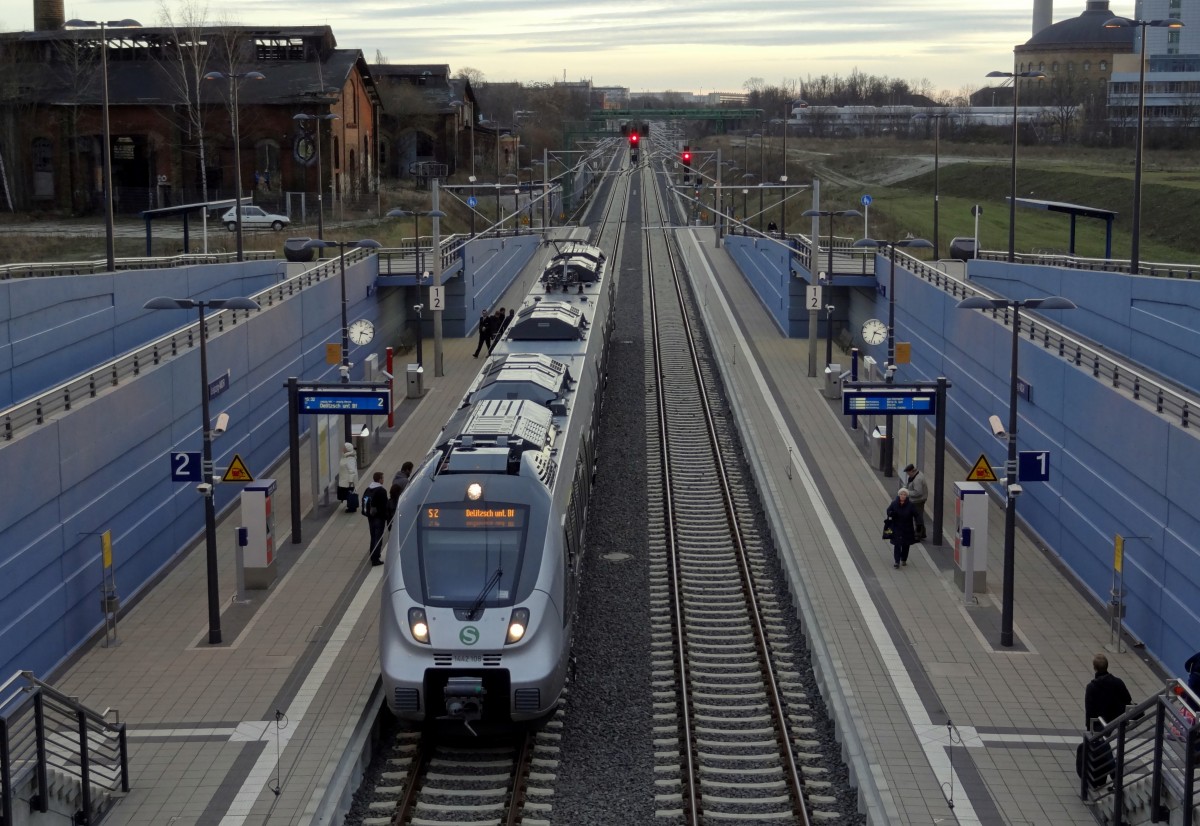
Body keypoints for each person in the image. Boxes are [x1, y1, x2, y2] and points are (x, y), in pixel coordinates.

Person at [1085, 653, 1133, 732]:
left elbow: (1089, 709)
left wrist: (1089, 727)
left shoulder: (1092, 687)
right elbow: (1128, 699)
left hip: (1100, 723)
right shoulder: (1118, 682)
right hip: (1118, 720)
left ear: (1094, 667)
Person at [886, 487, 918, 569]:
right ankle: (897, 561)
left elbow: (916, 515)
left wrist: (919, 524)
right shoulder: (894, 503)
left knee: (906, 545)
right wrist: (892, 513)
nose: (903, 496)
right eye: (901, 494)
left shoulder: (910, 505)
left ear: (907, 496)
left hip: (907, 528)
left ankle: (903, 559)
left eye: (904, 494)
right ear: (899, 495)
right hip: (896, 527)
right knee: (897, 545)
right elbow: (888, 511)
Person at [363, 471, 390, 566]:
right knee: (378, 537)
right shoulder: (381, 491)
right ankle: (375, 558)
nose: (383, 479)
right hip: (379, 517)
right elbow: (384, 505)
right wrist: (386, 516)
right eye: (382, 478)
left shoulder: (368, 489)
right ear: (380, 479)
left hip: (370, 517)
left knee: (373, 536)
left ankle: (372, 554)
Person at [902, 464, 929, 541]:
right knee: (919, 517)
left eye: (908, 473)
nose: (907, 474)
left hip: (918, 501)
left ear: (911, 471)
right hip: (917, 500)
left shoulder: (917, 479)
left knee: (918, 518)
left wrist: (907, 492)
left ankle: (918, 535)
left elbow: (918, 492)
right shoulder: (916, 474)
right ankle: (922, 533)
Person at [338, 442, 358, 512]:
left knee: (350, 494)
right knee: (348, 494)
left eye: (344, 447)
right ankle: (351, 506)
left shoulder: (350, 458)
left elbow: (352, 471)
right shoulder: (346, 456)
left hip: (348, 481)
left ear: (347, 449)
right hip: (345, 479)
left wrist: (350, 482)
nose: (343, 448)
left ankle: (352, 507)